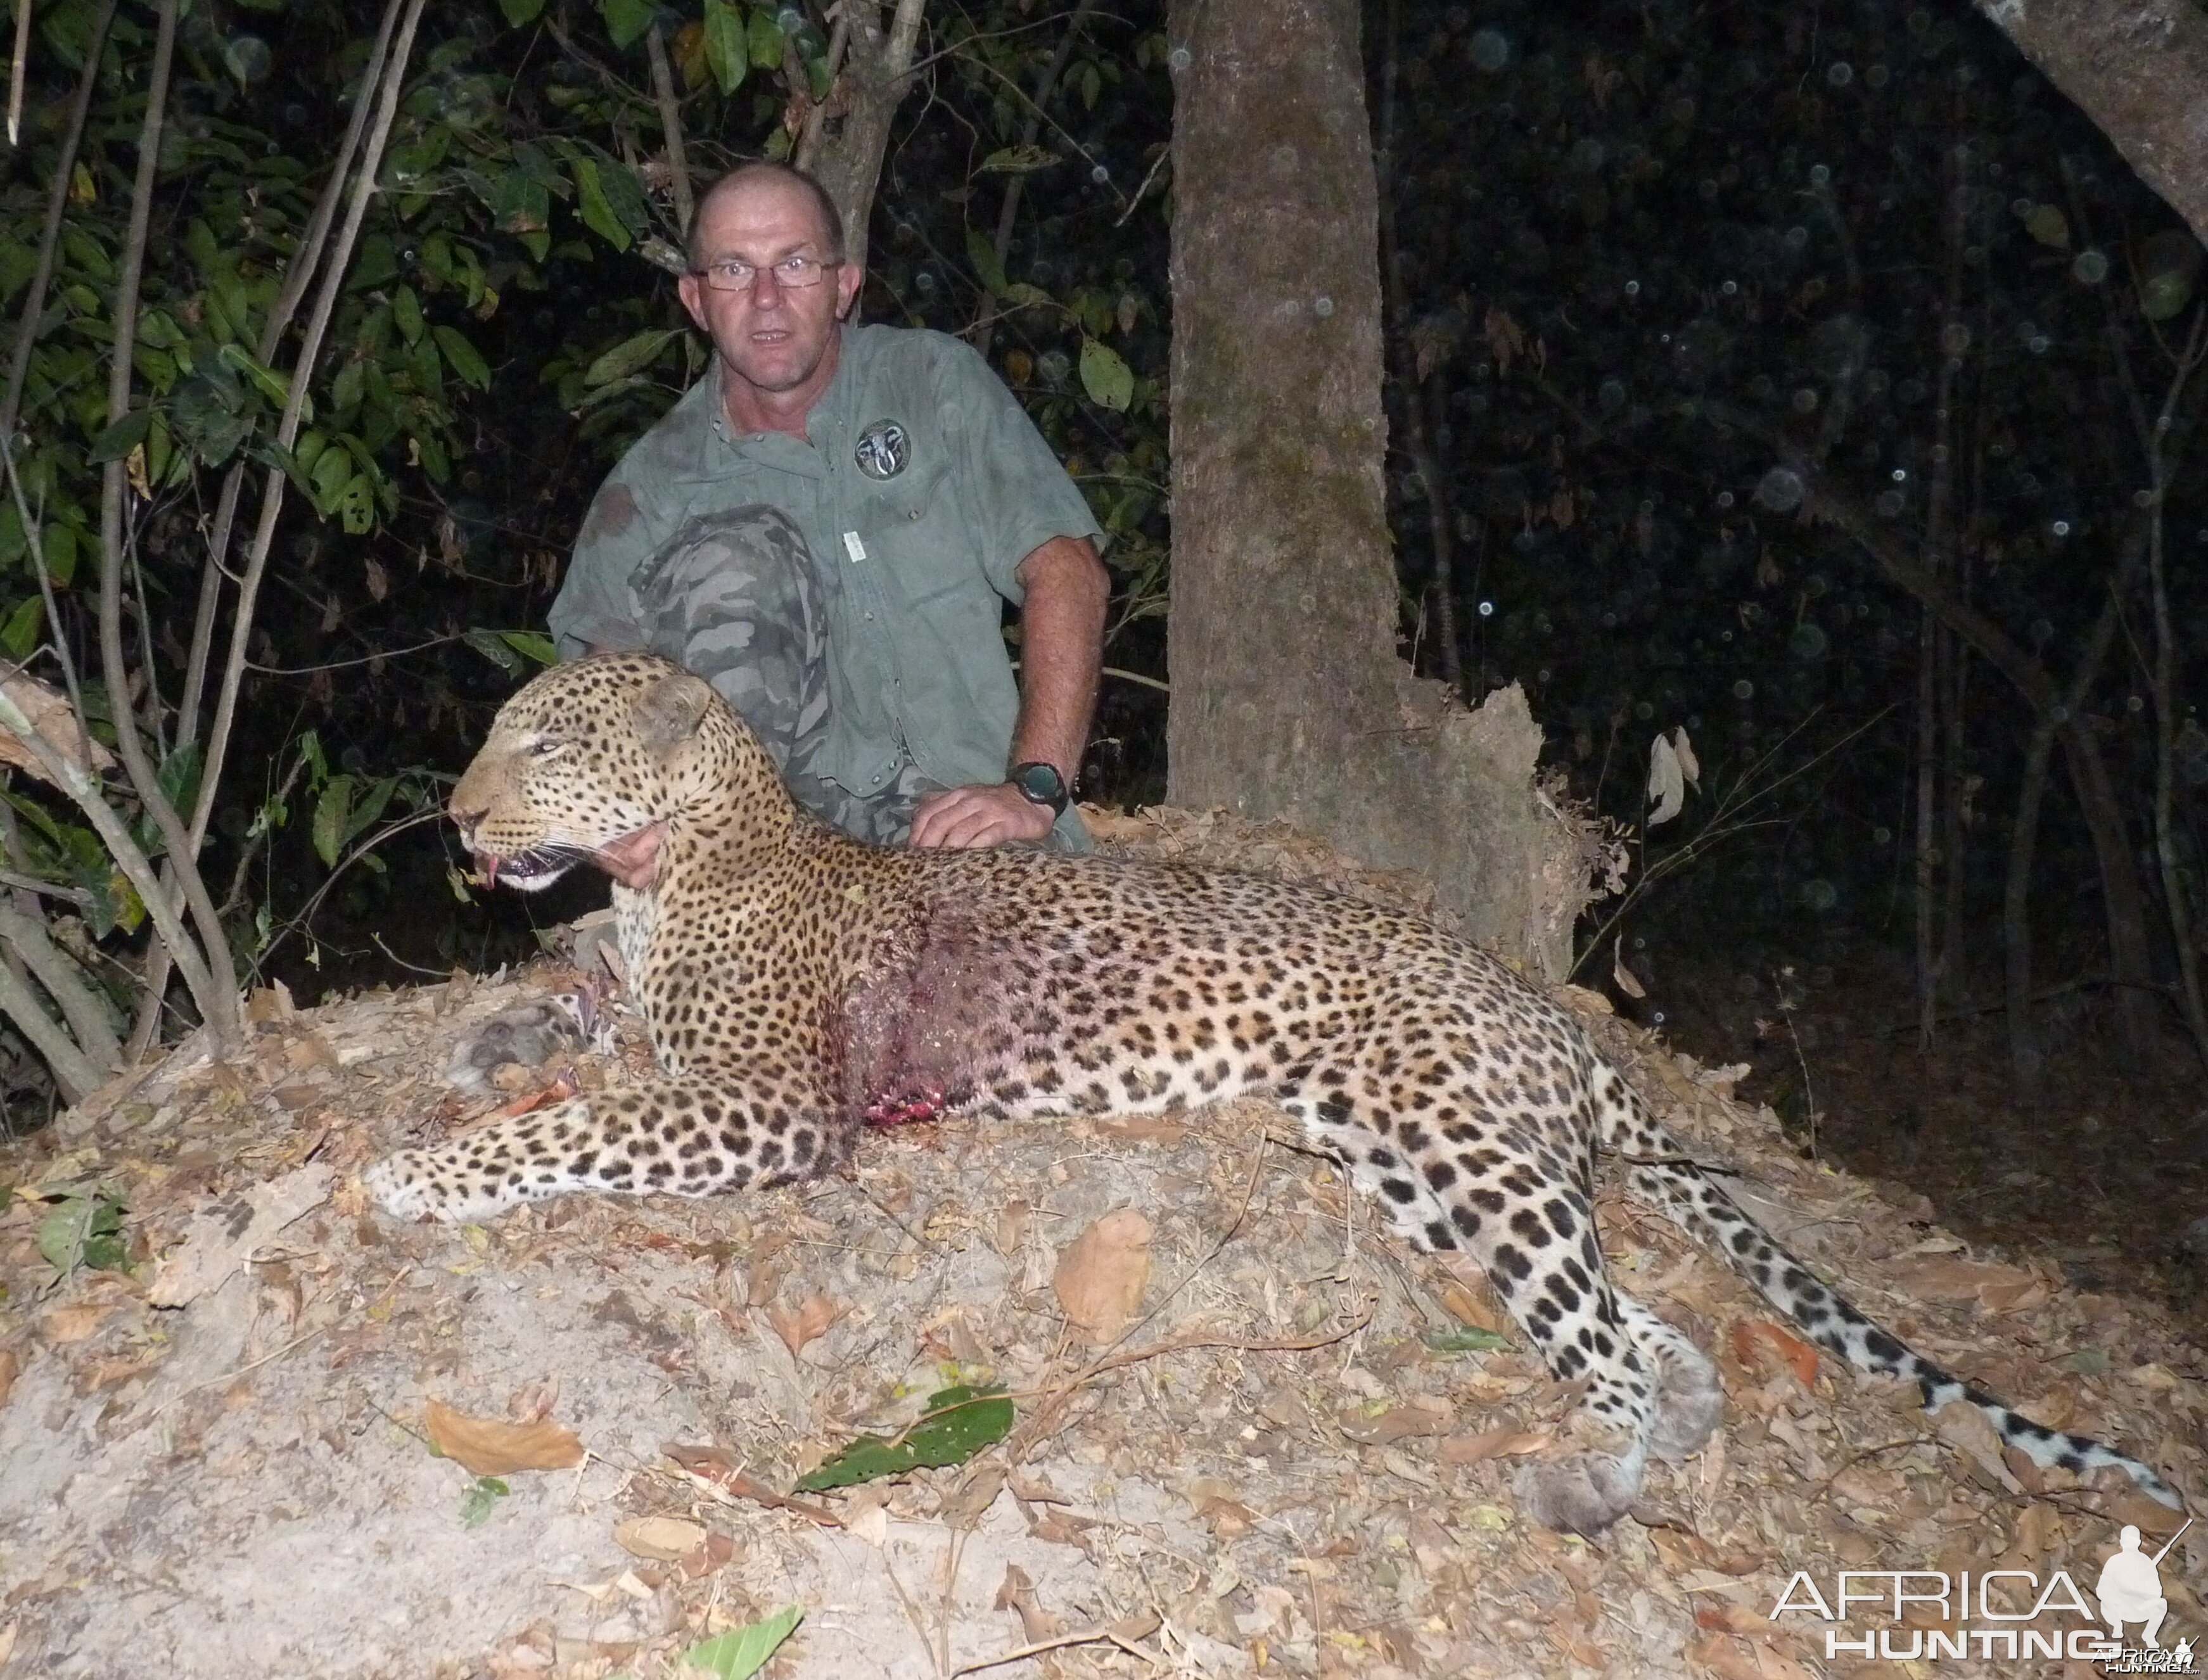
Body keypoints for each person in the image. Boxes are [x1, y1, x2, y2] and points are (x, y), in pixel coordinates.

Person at [547, 161, 1109, 853]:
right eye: (732, 269)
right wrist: (619, 824)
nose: (765, 298)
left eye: (795, 264)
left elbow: (1065, 569)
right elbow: (591, 691)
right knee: (734, 556)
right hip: (772, 867)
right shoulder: (650, 487)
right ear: (694, 301)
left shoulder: (932, 383)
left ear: (843, 286)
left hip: (967, 828)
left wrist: (1032, 787)